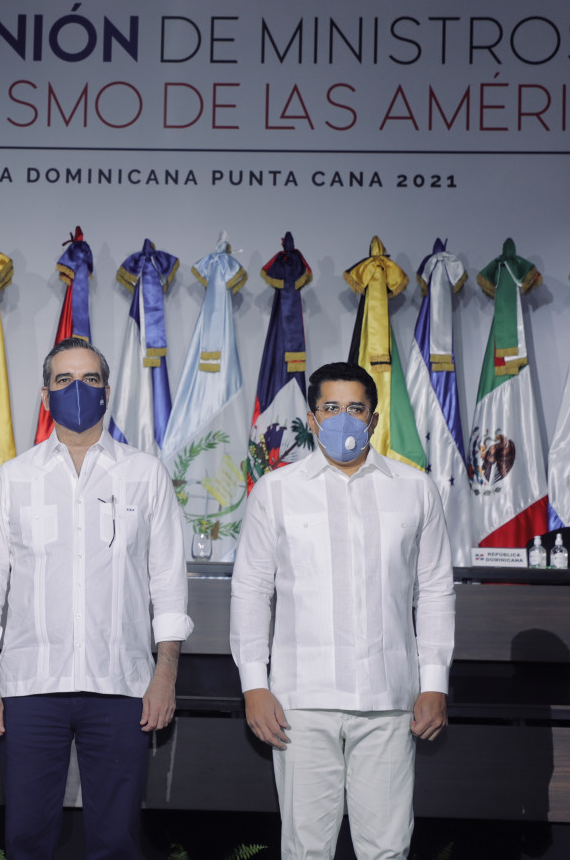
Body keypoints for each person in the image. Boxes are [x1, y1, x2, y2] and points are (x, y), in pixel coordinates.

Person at [0, 337, 193, 860]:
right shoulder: (13, 479)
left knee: (116, 841)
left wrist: (164, 677)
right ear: (46, 395)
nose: (78, 389)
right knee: (27, 838)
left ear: (106, 391)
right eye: (64, 380)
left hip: (122, 686)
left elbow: (168, 589)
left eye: (90, 379)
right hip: (29, 688)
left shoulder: (145, 475)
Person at [230, 361, 455, 860]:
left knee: (387, 850)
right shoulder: (277, 490)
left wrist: (434, 682)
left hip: (389, 700)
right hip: (299, 702)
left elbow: (436, 590)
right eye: (331, 407)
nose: (343, 418)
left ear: (373, 419)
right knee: (305, 849)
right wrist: (254, 685)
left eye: (355, 408)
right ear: (312, 418)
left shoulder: (415, 488)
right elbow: (251, 591)